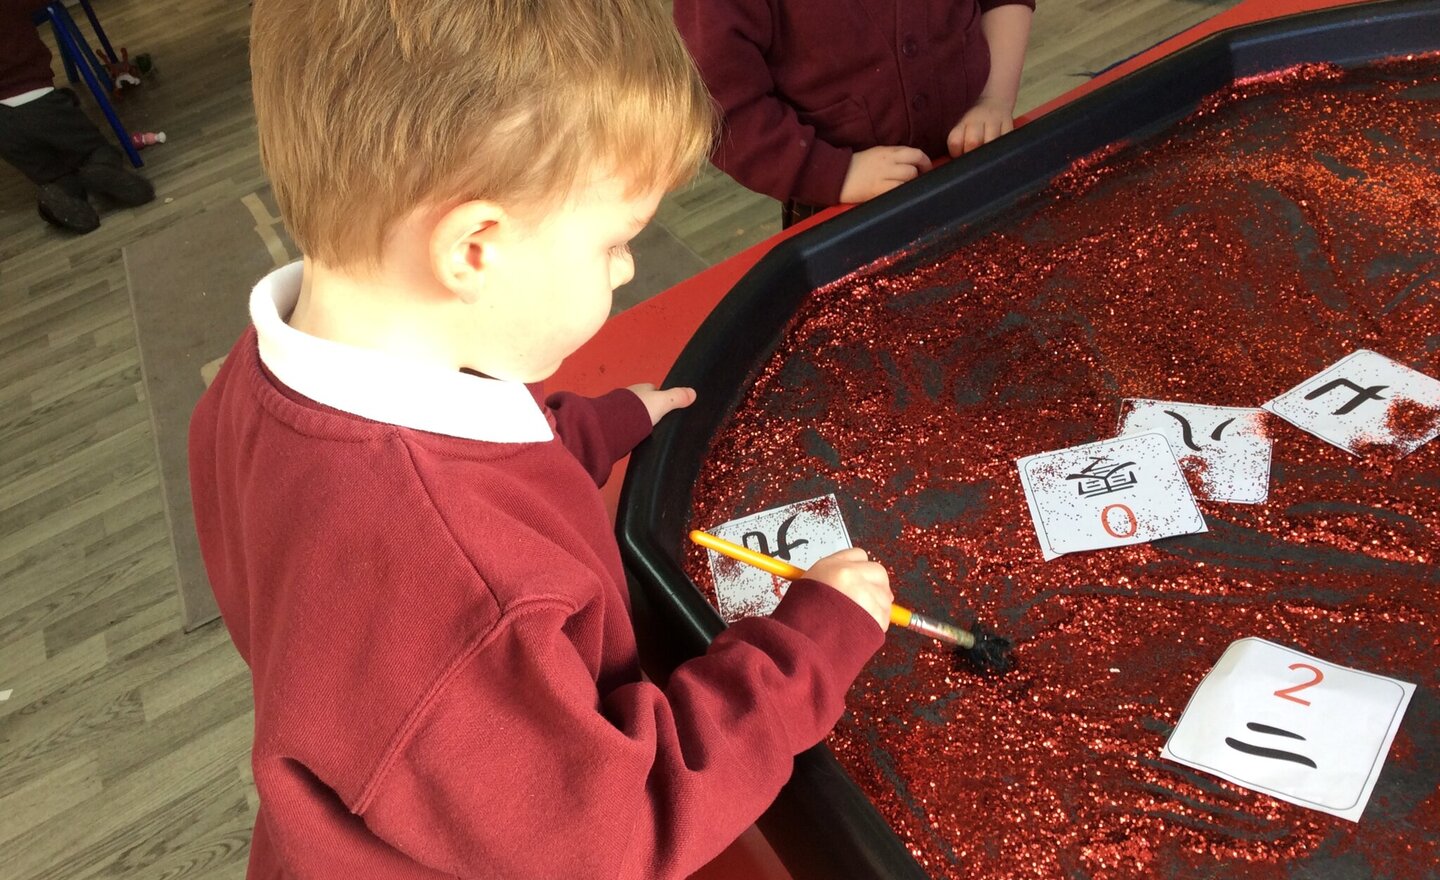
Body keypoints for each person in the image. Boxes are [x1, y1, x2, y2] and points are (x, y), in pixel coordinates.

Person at [188, 1, 895, 877]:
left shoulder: (261, 373)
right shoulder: (450, 588)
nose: (629, 269)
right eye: (613, 245)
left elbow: (451, 471)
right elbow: (612, 832)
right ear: (475, 248)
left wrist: (579, 432)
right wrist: (805, 652)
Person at [675, 0, 1035, 226]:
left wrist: (995, 99)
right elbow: (719, 105)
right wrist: (838, 174)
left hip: (977, 156)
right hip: (838, 201)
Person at [0, 0, 154, 233]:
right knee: (95, 149)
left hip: (4, 130)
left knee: (54, 175)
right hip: (40, 102)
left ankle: (57, 194)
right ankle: (100, 168)